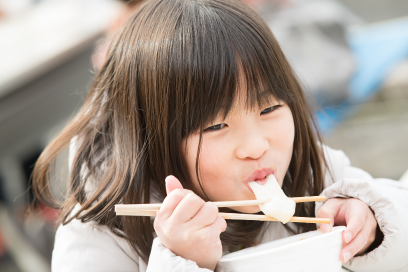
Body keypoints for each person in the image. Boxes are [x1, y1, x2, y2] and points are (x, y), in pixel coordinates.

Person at [32, 0, 408, 271]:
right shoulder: (104, 225)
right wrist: (184, 261)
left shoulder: (313, 174)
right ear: (150, 137)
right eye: (215, 126)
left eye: (269, 109)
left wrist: (374, 228)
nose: (256, 146)